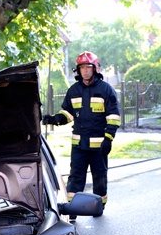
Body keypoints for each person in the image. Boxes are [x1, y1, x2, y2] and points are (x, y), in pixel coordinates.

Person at [42, 51, 120, 218]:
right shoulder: (74, 90)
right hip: (79, 146)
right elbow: (67, 115)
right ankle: (73, 209)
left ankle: (99, 207)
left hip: (99, 147)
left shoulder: (106, 90)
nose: (85, 71)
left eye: (88, 67)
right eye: (82, 67)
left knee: (100, 177)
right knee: (76, 177)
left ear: (95, 69)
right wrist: (52, 119)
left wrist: (108, 139)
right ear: (78, 70)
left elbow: (113, 117)